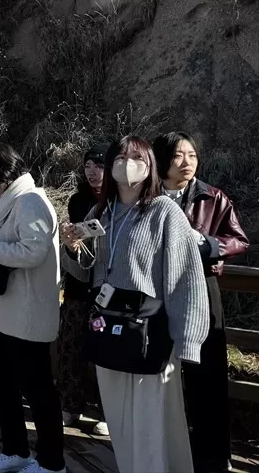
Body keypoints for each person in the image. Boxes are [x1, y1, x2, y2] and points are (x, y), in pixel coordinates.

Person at [60, 136, 209, 473]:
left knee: (149, 424)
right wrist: (72, 248)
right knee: (119, 423)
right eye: (121, 157)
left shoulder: (164, 211)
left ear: (150, 164)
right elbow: (86, 272)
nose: (128, 164)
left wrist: (188, 340)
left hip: (149, 332)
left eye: (136, 157)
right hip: (107, 327)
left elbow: (185, 278)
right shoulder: (100, 212)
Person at [0, 143, 65, 473]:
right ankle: (15, 450)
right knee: (3, 385)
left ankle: (52, 462)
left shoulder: (31, 202)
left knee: (37, 391)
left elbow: (30, 253)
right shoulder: (0, 199)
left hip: (27, 314)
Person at [153, 132, 249, 473]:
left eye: (192, 155)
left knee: (206, 373)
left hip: (200, 289)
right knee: (159, 369)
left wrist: (206, 243)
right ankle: (163, 447)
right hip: (156, 290)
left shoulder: (212, 196)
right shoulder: (146, 196)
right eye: (178, 156)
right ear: (161, 159)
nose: (187, 163)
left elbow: (238, 240)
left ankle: (212, 456)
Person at [55, 148, 107, 435]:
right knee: (69, 347)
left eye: (98, 165)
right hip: (78, 285)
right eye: (88, 165)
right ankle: (70, 405)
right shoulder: (78, 200)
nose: (92, 171)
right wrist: (70, 243)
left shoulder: (117, 200)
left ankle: (107, 411)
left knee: (105, 352)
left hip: (107, 288)